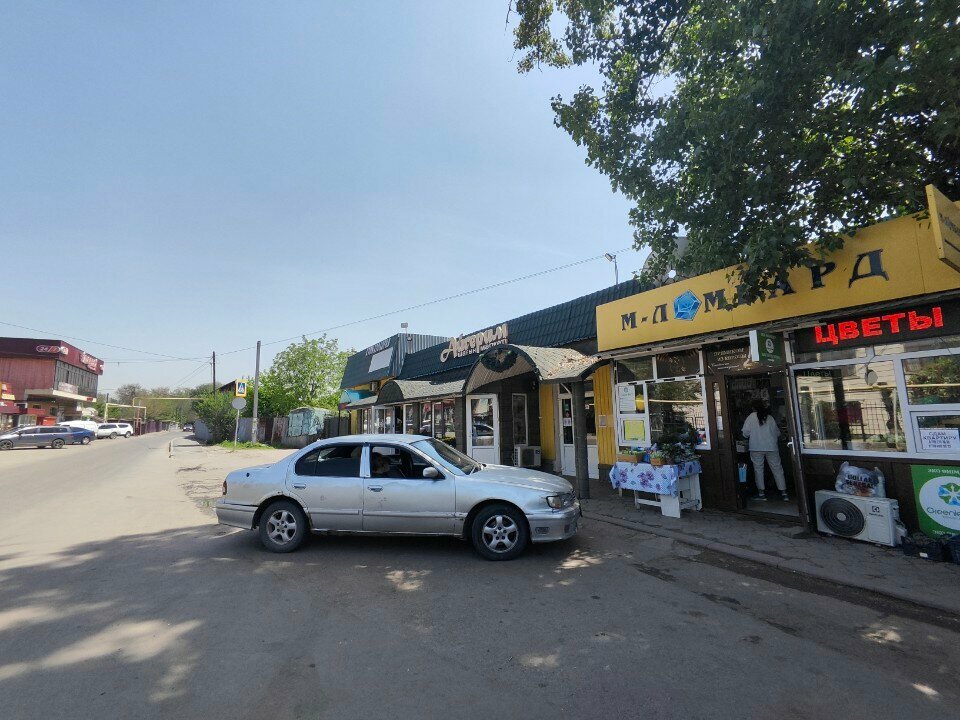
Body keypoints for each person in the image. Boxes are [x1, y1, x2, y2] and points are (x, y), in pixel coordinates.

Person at [741, 399, 788, 501]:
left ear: (753, 408)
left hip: (756, 447)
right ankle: (784, 493)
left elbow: (745, 433)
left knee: (758, 470)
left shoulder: (751, 417)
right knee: (777, 469)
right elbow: (777, 433)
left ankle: (761, 494)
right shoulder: (770, 417)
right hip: (771, 447)